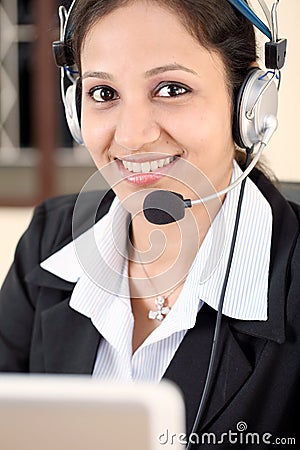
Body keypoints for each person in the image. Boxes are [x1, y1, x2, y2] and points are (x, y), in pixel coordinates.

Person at [0, 0, 299, 447]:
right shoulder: (50, 241)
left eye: (171, 89)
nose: (132, 136)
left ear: (251, 102)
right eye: (103, 93)